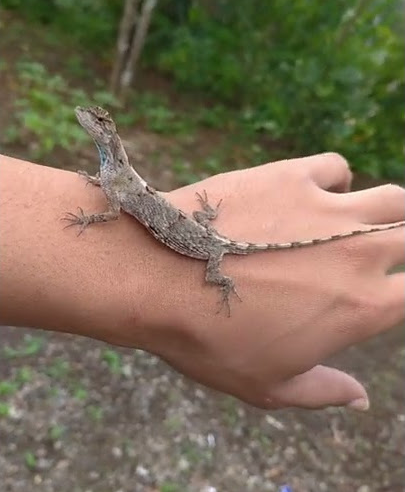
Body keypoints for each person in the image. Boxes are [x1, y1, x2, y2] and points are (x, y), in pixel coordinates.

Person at [0, 152, 404, 411]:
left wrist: (226, 280)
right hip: (200, 234)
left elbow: (116, 211)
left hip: (209, 248)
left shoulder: (211, 255)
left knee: (217, 278)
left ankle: (227, 285)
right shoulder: (116, 176)